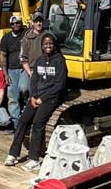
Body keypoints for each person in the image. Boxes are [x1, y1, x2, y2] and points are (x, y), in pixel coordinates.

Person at [5, 33, 68, 170]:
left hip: (51, 97)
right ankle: (13, 154)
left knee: (37, 122)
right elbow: (34, 80)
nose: (48, 46)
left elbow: (59, 85)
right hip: (36, 96)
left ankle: (34, 159)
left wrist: (42, 99)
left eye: (50, 43)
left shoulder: (59, 61)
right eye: (45, 44)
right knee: (23, 120)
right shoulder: (39, 60)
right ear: (42, 46)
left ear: (54, 44)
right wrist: (33, 96)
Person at [0, 15, 29, 126]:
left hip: (23, 68)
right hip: (11, 70)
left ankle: (28, 109)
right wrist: (5, 74)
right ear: (10, 25)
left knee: (24, 88)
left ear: (21, 23)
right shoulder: (6, 39)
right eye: (13, 24)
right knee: (12, 96)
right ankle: (16, 124)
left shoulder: (26, 33)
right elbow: (3, 57)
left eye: (18, 23)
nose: (15, 25)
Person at [20, 11, 46, 78]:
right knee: (23, 87)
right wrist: (29, 72)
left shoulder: (49, 36)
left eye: (40, 21)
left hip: (47, 69)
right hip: (31, 69)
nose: (38, 23)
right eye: (36, 21)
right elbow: (23, 58)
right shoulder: (26, 39)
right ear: (32, 23)